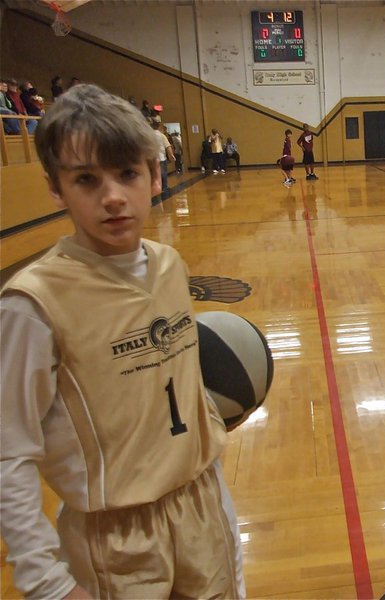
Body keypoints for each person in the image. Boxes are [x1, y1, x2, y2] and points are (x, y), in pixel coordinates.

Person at [0, 83, 244, 599]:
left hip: (202, 509)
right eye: (86, 179)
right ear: (56, 188)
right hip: (116, 539)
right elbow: (9, 451)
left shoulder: (170, 264)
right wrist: (44, 581)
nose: (112, 196)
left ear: (153, 175)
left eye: (127, 174)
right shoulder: (32, 304)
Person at [151, 120, 175, 199]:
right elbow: (168, 147)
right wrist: (171, 156)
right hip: (161, 158)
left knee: (154, 174)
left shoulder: (149, 136)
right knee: (163, 173)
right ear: (159, 127)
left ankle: (155, 188)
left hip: (152, 158)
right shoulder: (162, 136)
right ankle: (164, 188)